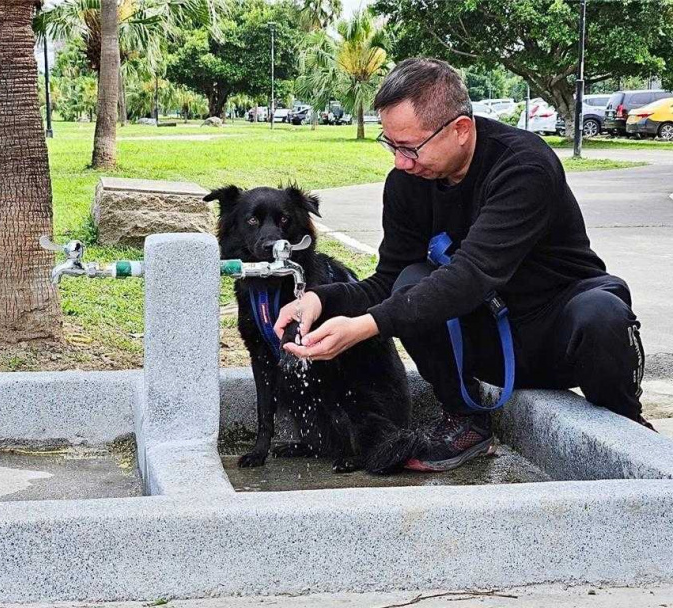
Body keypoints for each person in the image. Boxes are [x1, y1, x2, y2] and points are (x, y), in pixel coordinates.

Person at [274, 57, 652, 473]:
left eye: (409, 147)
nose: (400, 162)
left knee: (602, 312)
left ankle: (628, 426)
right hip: (486, 338)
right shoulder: (407, 183)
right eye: (391, 145)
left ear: (460, 129)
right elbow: (389, 280)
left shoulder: (523, 166)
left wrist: (366, 326)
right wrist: (320, 300)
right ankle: (465, 418)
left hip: (561, 332)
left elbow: (471, 275)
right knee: (411, 280)